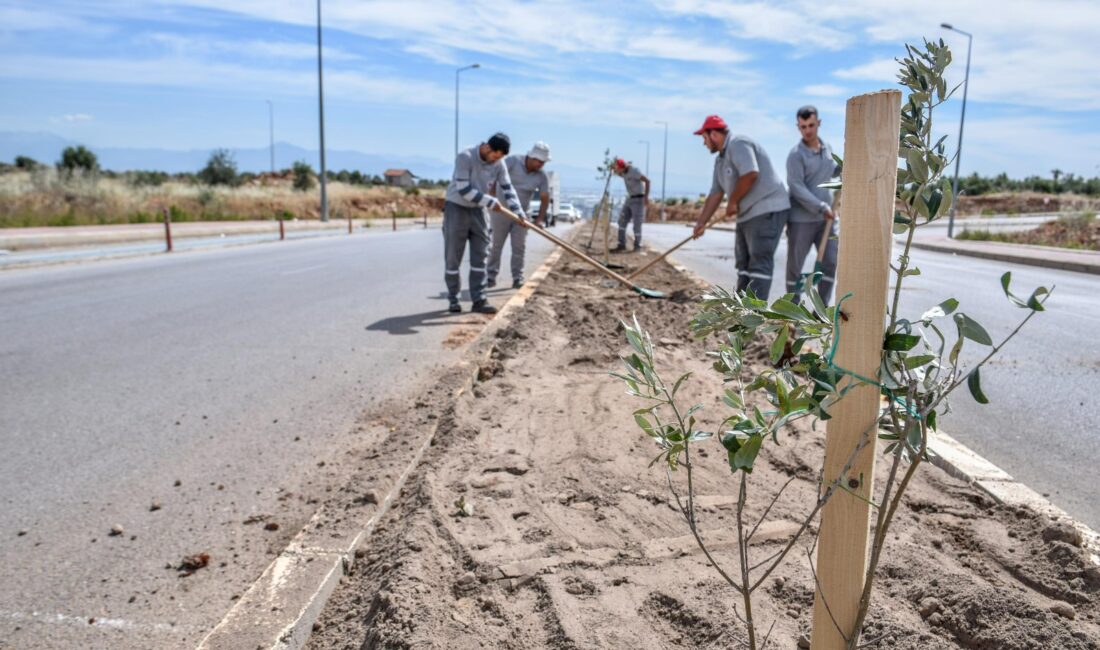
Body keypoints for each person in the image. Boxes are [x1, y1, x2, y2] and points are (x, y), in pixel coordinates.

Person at [691, 115, 790, 299]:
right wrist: (701, 223)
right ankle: (742, 311)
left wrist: (733, 201)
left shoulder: (738, 144)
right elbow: (715, 194)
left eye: (704, 138)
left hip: (766, 208)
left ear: (714, 134)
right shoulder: (720, 160)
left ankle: (755, 314)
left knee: (759, 263)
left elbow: (751, 173)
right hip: (747, 214)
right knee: (743, 264)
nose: (704, 144)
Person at [443, 133, 526, 314]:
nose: (496, 161)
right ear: (487, 148)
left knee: (480, 256)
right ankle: (453, 299)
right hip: (456, 208)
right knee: (453, 256)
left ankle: (479, 300)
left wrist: (519, 212)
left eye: (500, 158)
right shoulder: (465, 157)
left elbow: (507, 187)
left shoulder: (499, 162)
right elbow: (463, 189)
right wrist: (490, 201)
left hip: (479, 211)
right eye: (495, 156)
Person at [785, 105, 840, 303]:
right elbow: (796, 187)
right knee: (795, 268)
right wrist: (820, 206)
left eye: (811, 125)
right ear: (798, 127)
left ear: (819, 123)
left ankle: (822, 312)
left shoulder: (828, 150)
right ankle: (793, 314)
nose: (807, 130)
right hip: (802, 221)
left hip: (827, 221)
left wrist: (845, 167)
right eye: (803, 127)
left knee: (831, 263)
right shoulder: (795, 155)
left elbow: (832, 171)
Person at [487, 142, 551, 289]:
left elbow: (544, 198)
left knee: (519, 247)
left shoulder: (541, 176)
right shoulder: (512, 161)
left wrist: (540, 219)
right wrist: (492, 198)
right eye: (540, 161)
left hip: (522, 216)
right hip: (501, 211)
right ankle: (490, 276)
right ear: (531, 157)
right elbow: (494, 178)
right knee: (496, 245)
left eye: (544, 162)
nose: (542, 165)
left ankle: (517, 277)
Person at [610, 158, 650, 252]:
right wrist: (613, 169)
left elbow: (647, 181)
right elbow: (620, 174)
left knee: (637, 225)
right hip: (630, 199)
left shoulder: (634, 171)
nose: (618, 171)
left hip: (639, 199)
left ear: (623, 167)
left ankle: (637, 246)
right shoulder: (623, 172)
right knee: (621, 221)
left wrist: (646, 197)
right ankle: (621, 244)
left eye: (618, 169)